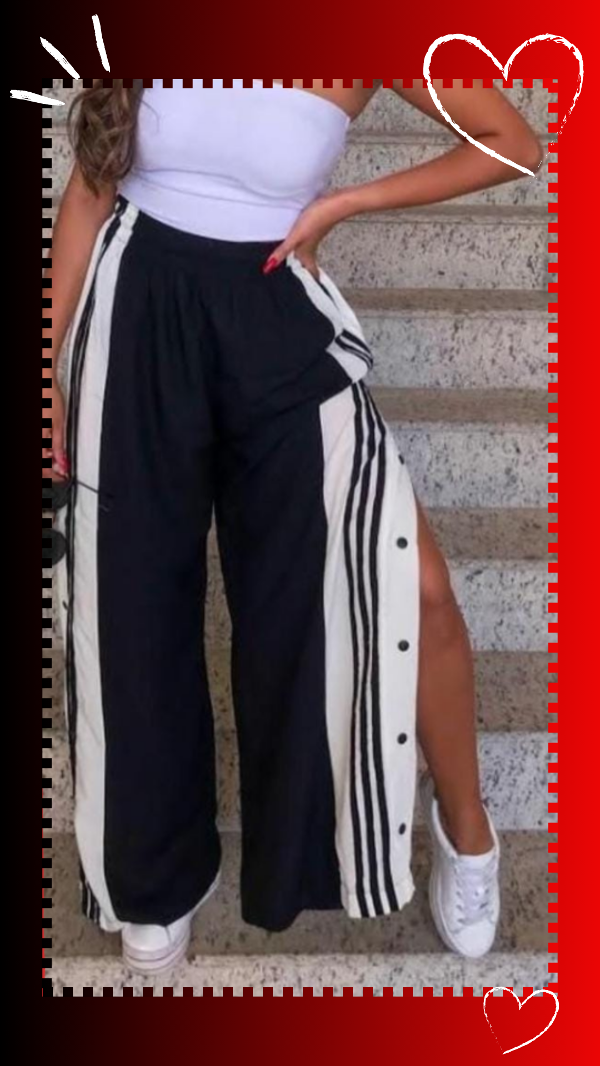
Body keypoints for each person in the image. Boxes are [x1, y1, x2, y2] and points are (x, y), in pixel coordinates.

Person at [44, 79, 544, 977]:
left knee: (411, 588)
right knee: (130, 602)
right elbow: (88, 188)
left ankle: (466, 827)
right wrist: (47, 361)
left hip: (274, 297)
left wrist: (347, 203)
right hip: (136, 306)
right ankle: (154, 876)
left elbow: (512, 143)